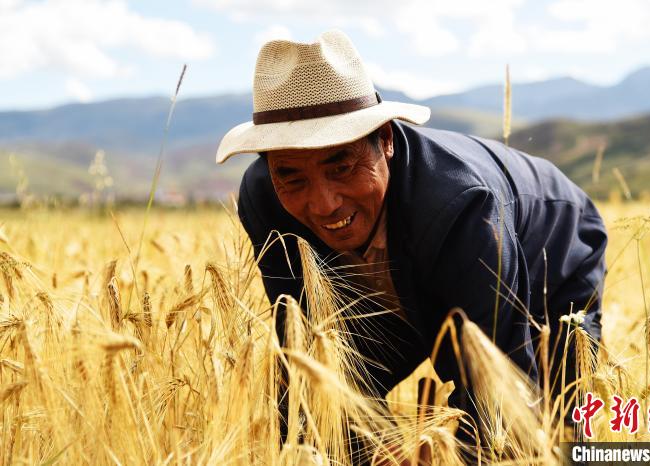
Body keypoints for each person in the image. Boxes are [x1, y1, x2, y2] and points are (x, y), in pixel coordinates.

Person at [216, 29, 607, 458]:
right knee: (318, 407)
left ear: (385, 140)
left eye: (342, 167)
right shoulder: (264, 200)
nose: (324, 204)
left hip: (551, 246)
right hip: (404, 273)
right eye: (292, 177)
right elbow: (308, 350)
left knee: (551, 424)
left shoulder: (462, 209)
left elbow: (501, 385)